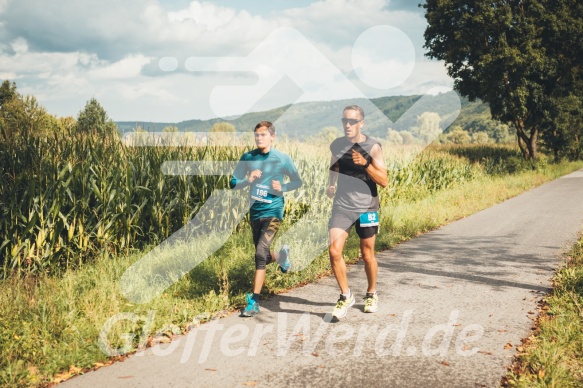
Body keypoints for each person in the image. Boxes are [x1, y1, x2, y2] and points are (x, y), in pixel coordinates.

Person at [230, 121, 302, 317]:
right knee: (263, 254)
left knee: (260, 253)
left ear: (272, 136)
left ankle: (254, 301)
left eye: (263, 134)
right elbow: (233, 182)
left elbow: (297, 181)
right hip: (255, 213)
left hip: (274, 213)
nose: (259, 138)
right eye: (257, 135)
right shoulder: (248, 157)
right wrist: (248, 180)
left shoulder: (282, 158)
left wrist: (283, 188)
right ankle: (281, 257)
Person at [326, 105, 388, 319]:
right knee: (334, 251)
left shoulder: (373, 147)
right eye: (344, 120)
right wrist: (331, 184)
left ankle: (371, 293)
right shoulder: (336, 145)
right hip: (342, 205)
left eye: (352, 121)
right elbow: (334, 166)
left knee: (367, 254)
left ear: (362, 123)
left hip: (367, 206)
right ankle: (345, 296)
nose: (348, 125)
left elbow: (384, 181)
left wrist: (366, 164)